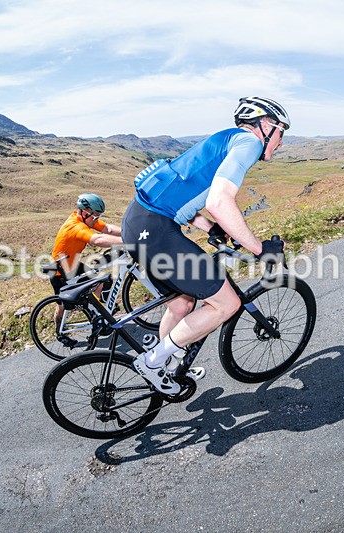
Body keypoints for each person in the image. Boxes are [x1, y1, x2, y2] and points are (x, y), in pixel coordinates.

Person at [123, 96, 290, 394]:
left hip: (138, 222)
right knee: (227, 303)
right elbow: (219, 201)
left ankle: (166, 368)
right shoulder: (248, 144)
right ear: (265, 125)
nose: (281, 141)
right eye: (281, 131)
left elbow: (186, 191)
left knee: (181, 303)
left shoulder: (225, 139)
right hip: (157, 231)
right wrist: (260, 249)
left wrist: (209, 227)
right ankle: (152, 362)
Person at [49, 193, 124, 346]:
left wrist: (129, 234)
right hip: (59, 270)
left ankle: (98, 316)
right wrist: (126, 242)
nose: (96, 219)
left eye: (98, 216)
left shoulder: (86, 218)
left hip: (72, 264)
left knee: (99, 282)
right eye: (95, 216)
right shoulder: (75, 226)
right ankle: (59, 332)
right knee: (62, 305)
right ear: (84, 212)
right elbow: (97, 239)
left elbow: (107, 229)